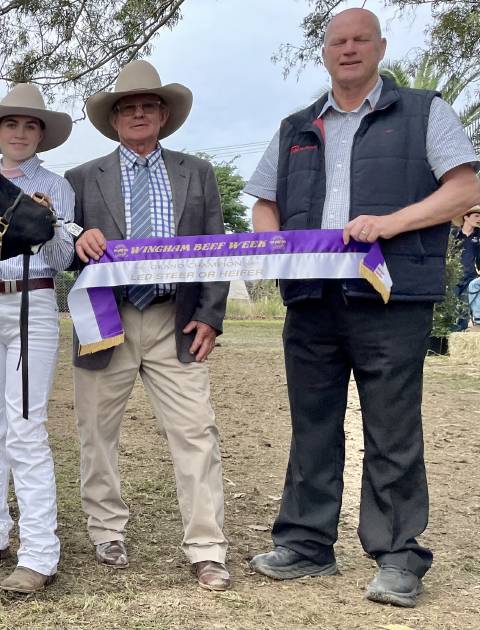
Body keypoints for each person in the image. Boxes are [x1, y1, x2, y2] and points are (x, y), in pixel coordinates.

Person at [243, 8, 480, 608]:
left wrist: (390, 224)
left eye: (359, 40)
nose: (348, 49)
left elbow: (467, 188)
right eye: (337, 41)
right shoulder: (296, 125)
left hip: (392, 294)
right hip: (311, 296)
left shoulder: (425, 110)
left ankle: (399, 555)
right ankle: (304, 544)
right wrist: (272, 241)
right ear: (324, 52)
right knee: (311, 423)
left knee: (393, 426)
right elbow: (264, 203)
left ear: (379, 47)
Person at [65, 60, 232, 591]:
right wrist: (77, 241)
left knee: (196, 433)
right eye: (128, 108)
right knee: (96, 433)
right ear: (114, 120)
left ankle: (207, 547)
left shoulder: (197, 173)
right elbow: (61, 251)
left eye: (148, 106)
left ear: (163, 115)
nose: (138, 114)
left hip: (175, 322)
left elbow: (216, 250)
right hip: (105, 320)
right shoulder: (80, 179)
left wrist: (210, 316)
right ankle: (106, 529)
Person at [0, 83, 78, 594]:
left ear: (42, 136)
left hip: (33, 304)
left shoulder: (58, 185)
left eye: (32, 126)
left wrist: (47, 223)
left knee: (25, 427)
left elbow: (65, 262)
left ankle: (39, 552)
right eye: (12, 124)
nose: (21, 133)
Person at [454, 206, 480, 329]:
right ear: (466, 217)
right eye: (476, 216)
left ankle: (460, 335)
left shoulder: (479, 236)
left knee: (463, 309)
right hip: (453, 278)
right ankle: (447, 338)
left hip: (470, 277)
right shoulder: (454, 235)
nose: (479, 219)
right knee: (450, 308)